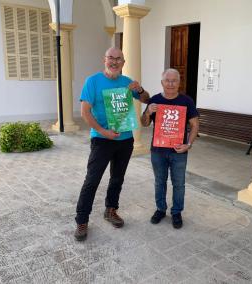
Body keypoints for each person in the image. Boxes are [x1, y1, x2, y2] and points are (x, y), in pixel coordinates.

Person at [74, 47, 150, 241]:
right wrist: (103, 131)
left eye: (119, 59)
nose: (114, 62)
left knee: (117, 178)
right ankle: (82, 220)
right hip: (102, 140)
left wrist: (140, 89)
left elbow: (146, 99)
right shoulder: (93, 81)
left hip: (125, 140)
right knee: (92, 180)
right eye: (111, 58)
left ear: (123, 63)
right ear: (104, 59)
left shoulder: (126, 82)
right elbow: (85, 112)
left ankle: (111, 210)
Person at [141, 68, 199, 229]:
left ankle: (176, 212)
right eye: (168, 80)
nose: (171, 84)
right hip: (158, 151)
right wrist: (147, 112)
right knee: (160, 182)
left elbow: (195, 125)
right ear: (162, 82)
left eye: (174, 81)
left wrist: (189, 144)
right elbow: (144, 123)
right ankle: (160, 209)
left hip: (179, 151)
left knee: (179, 184)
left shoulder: (187, 101)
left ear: (179, 83)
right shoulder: (155, 100)